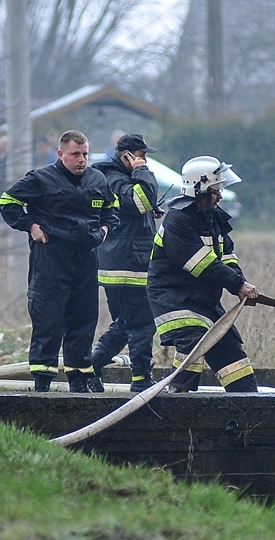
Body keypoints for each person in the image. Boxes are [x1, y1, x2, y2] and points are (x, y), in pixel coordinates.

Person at [0, 130, 119, 392]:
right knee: (48, 320)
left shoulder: (97, 179)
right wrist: (30, 226)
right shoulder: (41, 178)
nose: (81, 160)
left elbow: (113, 208)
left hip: (86, 259)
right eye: (75, 154)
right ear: (61, 153)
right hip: (51, 258)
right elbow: (7, 202)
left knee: (83, 319)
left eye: (85, 154)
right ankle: (42, 383)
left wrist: (105, 231)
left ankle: (79, 380)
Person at [147, 155, 260, 393]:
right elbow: (202, 265)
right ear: (200, 190)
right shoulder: (178, 220)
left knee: (233, 356)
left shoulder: (213, 217)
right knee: (195, 339)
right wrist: (238, 285)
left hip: (204, 302)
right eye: (216, 190)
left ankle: (247, 411)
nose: (220, 195)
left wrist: (240, 282)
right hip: (175, 299)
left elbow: (227, 255)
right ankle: (177, 398)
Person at [90, 133, 161, 392]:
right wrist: (142, 172)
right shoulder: (113, 178)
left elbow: (135, 208)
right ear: (127, 156)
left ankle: (93, 368)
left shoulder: (117, 177)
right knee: (142, 322)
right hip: (128, 264)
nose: (145, 161)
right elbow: (140, 201)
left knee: (127, 323)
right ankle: (139, 379)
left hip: (122, 262)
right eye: (141, 156)